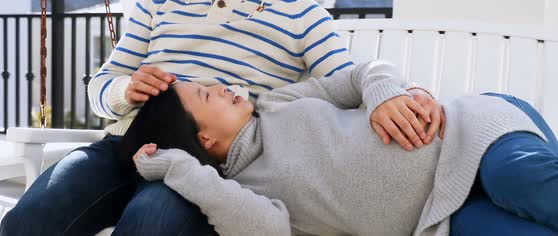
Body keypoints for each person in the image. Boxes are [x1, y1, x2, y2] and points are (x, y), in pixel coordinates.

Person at [0, 0, 441, 234]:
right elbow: (101, 88)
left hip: (204, 165)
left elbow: (352, 84)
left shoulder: (303, 16)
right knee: (31, 216)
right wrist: (125, 90)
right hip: (122, 144)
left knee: (151, 221)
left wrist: (400, 92)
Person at [124, 60, 558, 236]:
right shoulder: (240, 191)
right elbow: (269, 231)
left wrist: (387, 94)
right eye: (206, 97)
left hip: (472, 134)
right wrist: (179, 168)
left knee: (518, 180)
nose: (219, 88)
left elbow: (362, 73)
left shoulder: (277, 102)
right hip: (444, 214)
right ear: (205, 141)